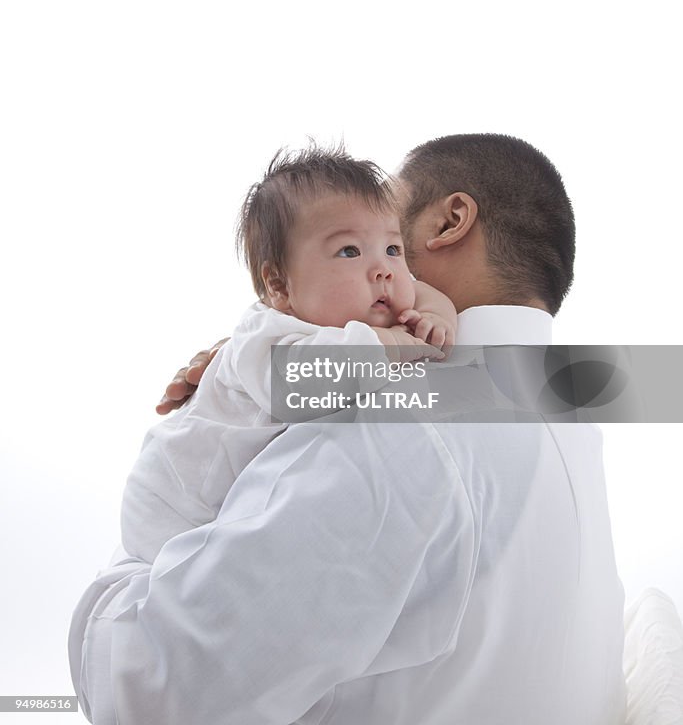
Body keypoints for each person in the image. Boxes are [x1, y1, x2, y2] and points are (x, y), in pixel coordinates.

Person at [69, 133, 627, 725]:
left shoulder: (397, 423)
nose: (378, 263)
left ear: (450, 222)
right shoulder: (572, 430)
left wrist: (141, 554)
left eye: (387, 232)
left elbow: (145, 690)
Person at [121, 145, 456, 562]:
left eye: (393, 249)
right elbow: (309, 379)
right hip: (173, 510)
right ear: (279, 286)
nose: (385, 269)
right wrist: (390, 344)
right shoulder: (265, 334)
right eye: (350, 251)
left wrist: (435, 316)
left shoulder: (362, 318)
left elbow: (416, 290)